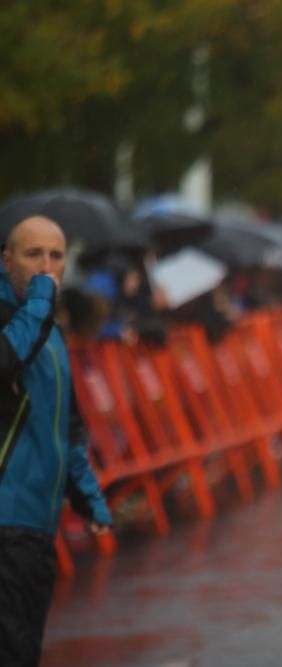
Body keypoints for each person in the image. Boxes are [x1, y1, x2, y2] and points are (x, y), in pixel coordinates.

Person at [0, 216, 112, 666]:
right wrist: (42, 300)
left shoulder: (50, 332)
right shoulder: (18, 322)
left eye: (56, 256)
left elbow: (67, 427)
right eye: (33, 255)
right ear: (6, 260)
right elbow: (7, 360)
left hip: (37, 530)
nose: (46, 266)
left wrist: (87, 499)